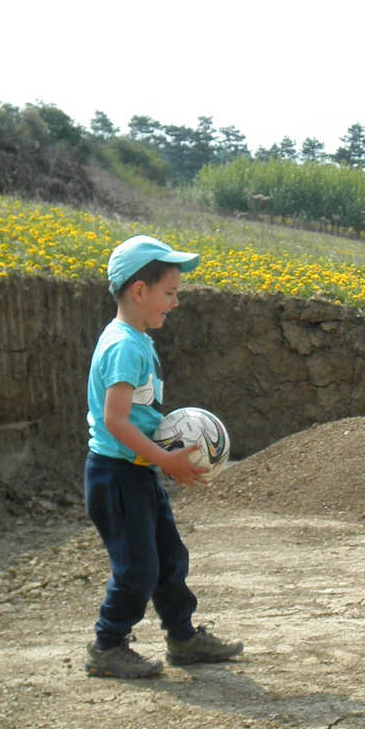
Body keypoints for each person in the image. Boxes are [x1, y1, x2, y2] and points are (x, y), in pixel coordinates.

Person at [83, 234, 243, 678]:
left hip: (138, 472)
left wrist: (161, 455)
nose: (174, 303)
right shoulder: (123, 346)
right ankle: (107, 645)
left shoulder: (137, 340)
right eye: (169, 293)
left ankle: (183, 637)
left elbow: (137, 412)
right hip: (115, 476)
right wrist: (167, 459)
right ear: (139, 291)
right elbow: (116, 421)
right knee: (138, 567)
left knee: (169, 557)